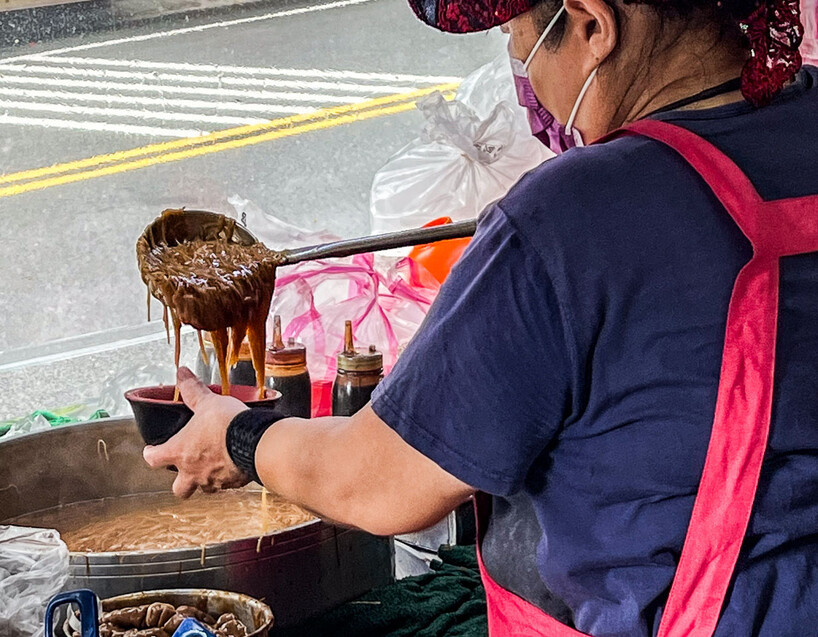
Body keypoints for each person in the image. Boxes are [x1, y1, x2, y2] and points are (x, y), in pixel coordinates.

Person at [142, 0, 818, 632]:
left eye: (516, 41)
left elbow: (375, 481)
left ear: (591, 26)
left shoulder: (570, 217)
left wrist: (239, 437)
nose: (523, 77)